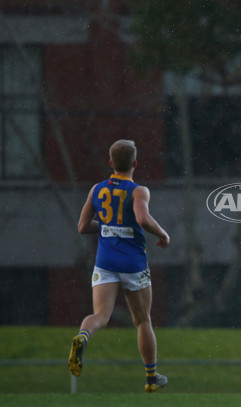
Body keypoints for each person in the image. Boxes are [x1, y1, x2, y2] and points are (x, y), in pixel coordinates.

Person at [68, 139, 171, 393]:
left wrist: (104, 227)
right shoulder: (138, 191)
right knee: (142, 321)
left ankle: (83, 337)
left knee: (101, 316)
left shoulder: (97, 190)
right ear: (135, 163)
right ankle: (150, 377)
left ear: (110, 163)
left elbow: (82, 227)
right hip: (133, 264)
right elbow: (142, 218)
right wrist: (163, 234)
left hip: (105, 263)